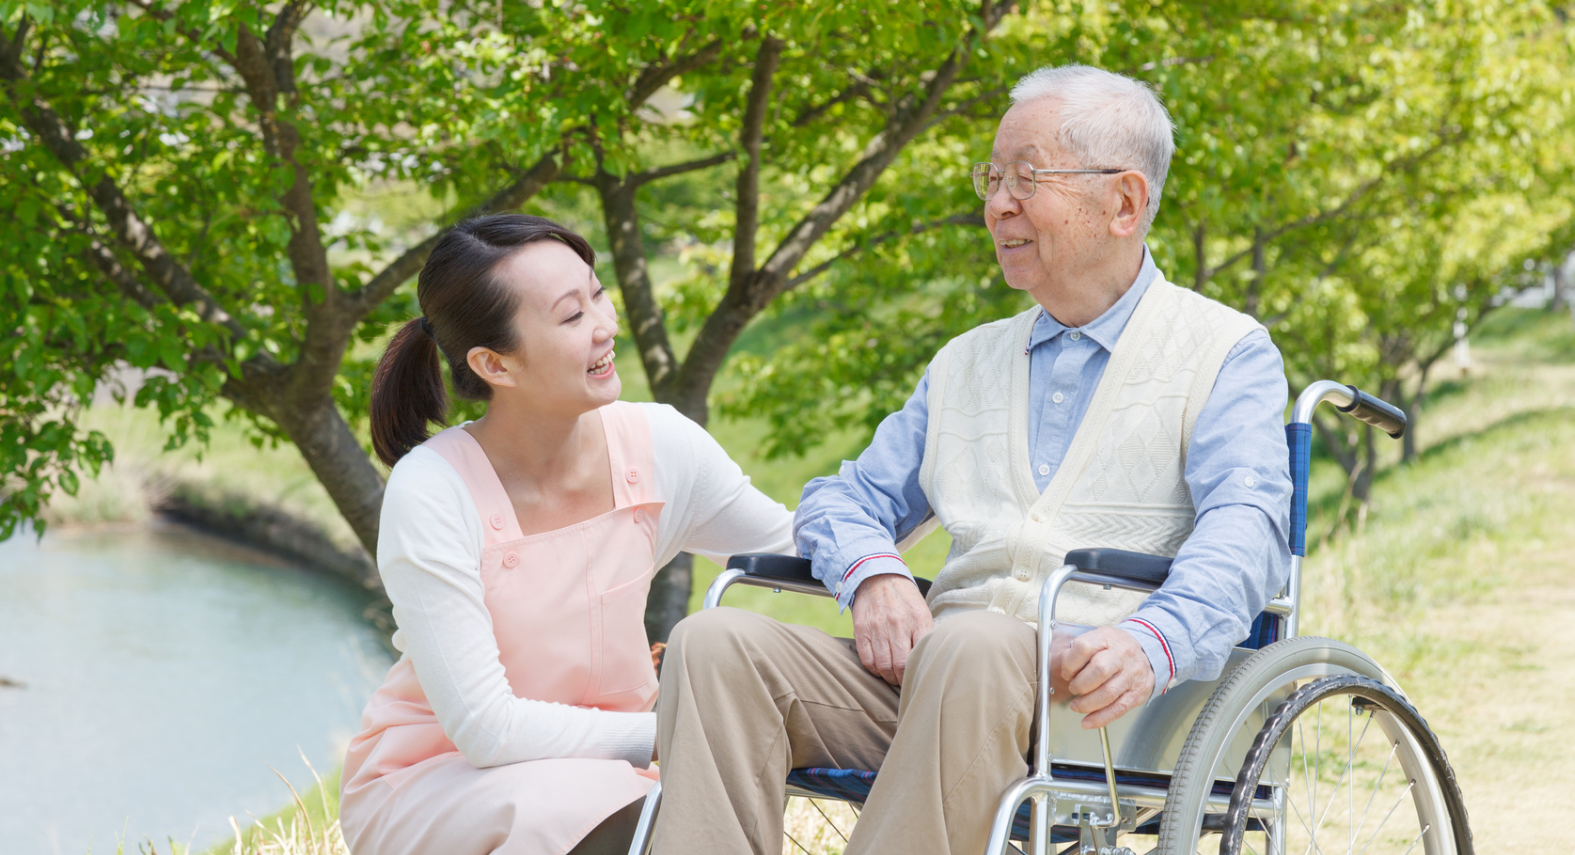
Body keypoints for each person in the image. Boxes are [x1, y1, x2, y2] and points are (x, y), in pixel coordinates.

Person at [651, 64, 1293, 855]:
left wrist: (1152, 640)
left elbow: (1248, 529)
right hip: (936, 684)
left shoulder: (1224, 352)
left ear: (1123, 202)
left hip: (1103, 704)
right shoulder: (965, 361)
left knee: (972, 640)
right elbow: (839, 499)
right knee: (714, 644)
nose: (996, 205)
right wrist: (876, 575)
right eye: (991, 178)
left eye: (1026, 178)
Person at [338, 215, 794, 855]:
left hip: (621, 772)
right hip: (440, 777)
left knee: (681, 816)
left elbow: (798, 549)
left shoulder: (659, 445)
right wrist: (669, 733)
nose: (606, 325)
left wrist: (940, 476)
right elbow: (485, 729)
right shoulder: (433, 489)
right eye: (571, 316)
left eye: (598, 293)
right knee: (629, 818)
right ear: (494, 362)